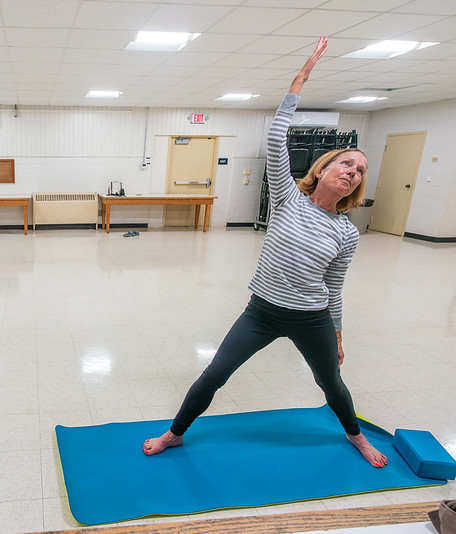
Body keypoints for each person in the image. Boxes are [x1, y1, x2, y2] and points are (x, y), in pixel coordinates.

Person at [143, 37, 388, 468]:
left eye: (361, 171)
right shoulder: (288, 198)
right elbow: (277, 138)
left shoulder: (346, 232)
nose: (353, 172)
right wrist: (300, 79)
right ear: (325, 168)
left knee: (331, 382)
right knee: (215, 374)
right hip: (261, 311)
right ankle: (174, 434)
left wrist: (337, 333)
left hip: (311, 317)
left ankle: (356, 437)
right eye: (347, 163)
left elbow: (335, 286)